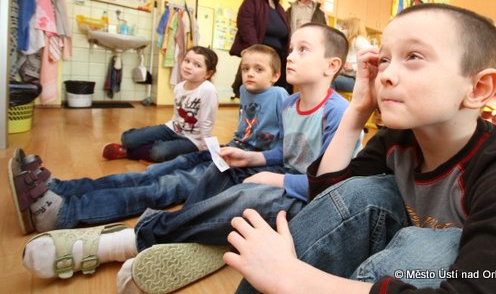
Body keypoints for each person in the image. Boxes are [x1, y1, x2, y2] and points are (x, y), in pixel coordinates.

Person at [224, 4, 496, 294]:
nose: (386, 74)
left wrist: (294, 279)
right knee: (364, 192)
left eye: (413, 56)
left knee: (430, 245)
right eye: (384, 59)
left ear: (478, 88)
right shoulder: (398, 141)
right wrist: (357, 111)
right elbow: (329, 203)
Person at [21, 24, 362, 294]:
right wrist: (251, 157)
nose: (290, 57)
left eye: (303, 50)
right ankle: (193, 236)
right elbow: (284, 152)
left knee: (244, 194)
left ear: (332, 65)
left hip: (303, 194)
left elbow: (331, 183)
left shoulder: (338, 113)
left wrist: (274, 176)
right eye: (291, 49)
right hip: (275, 174)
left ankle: (134, 238)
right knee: (213, 174)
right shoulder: (289, 104)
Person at [9, 44, 287, 235]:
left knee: (164, 185)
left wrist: (249, 159)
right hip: (227, 152)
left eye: (259, 69)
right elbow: (247, 131)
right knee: (153, 173)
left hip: (245, 167)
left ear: (276, 76)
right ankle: (60, 188)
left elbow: (286, 151)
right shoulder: (246, 91)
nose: (250, 73)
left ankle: (64, 212)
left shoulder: (281, 97)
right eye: (246, 68)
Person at [102, 46, 219, 163]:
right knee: (127, 139)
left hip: (192, 139)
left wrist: (205, 150)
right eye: (187, 61)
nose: (188, 66)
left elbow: (206, 123)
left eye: (197, 65)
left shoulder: (208, 90)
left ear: (208, 74)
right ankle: (154, 146)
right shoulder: (179, 87)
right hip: (172, 128)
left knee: (158, 152)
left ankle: (128, 152)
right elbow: (177, 116)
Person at [230, 0, 291, 97]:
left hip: (278, 58)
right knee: (254, 90)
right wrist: (255, 48)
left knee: (275, 93)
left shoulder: (279, 8)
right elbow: (245, 23)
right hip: (260, 55)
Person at [332, 17, 374, 92]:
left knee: (331, 80)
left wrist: (353, 67)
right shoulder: (349, 41)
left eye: (345, 25)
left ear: (351, 27)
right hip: (347, 77)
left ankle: (330, 100)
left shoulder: (359, 40)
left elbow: (372, 60)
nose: (342, 27)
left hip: (355, 80)